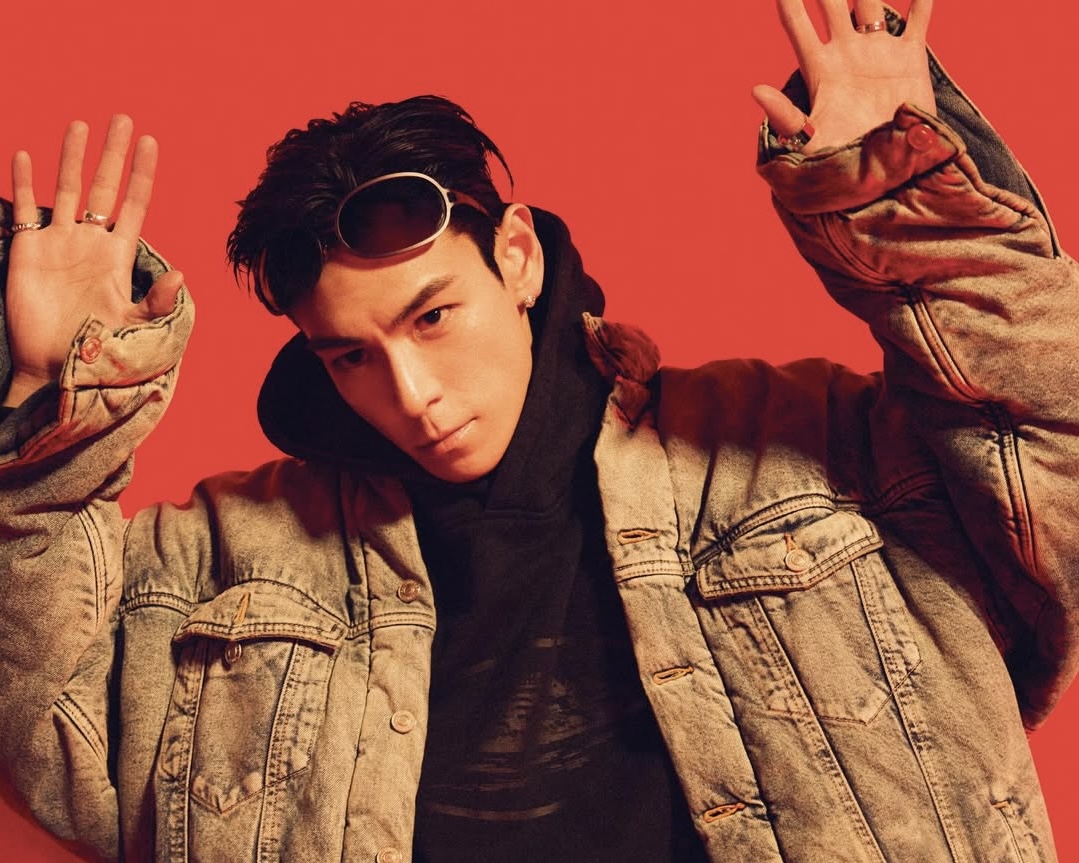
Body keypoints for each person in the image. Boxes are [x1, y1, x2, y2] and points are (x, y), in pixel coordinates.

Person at [1, 0, 1076, 860]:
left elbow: (1047, 460)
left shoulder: (800, 445)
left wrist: (913, 218)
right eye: (348, 357)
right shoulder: (222, 559)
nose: (412, 394)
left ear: (514, 256)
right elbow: (45, 733)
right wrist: (55, 398)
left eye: (432, 317)